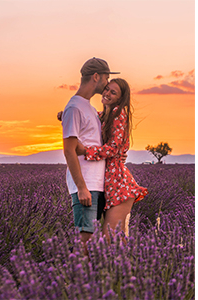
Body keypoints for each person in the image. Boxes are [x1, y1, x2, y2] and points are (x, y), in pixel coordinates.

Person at [74, 78, 148, 241]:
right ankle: (131, 266)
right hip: (109, 185)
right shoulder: (104, 115)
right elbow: (88, 117)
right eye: (107, 89)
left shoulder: (118, 114)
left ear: (120, 99)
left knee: (110, 240)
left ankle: (136, 265)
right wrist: (65, 114)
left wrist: (85, 151)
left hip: (119, 186)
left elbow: (114, 148)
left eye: (113, 92)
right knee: (116, 241)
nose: (107, 93)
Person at [62, 57, 119, 254]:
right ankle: (78, 281)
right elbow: (69, 150)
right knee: (85, 238)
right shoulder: (75, 107)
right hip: (86, 185)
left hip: (98, 184)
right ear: (96, 76)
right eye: (106, 78)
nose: (107, 84)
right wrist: (82, 188)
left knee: (98, 240)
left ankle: (92, 280)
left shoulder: (88, 108)